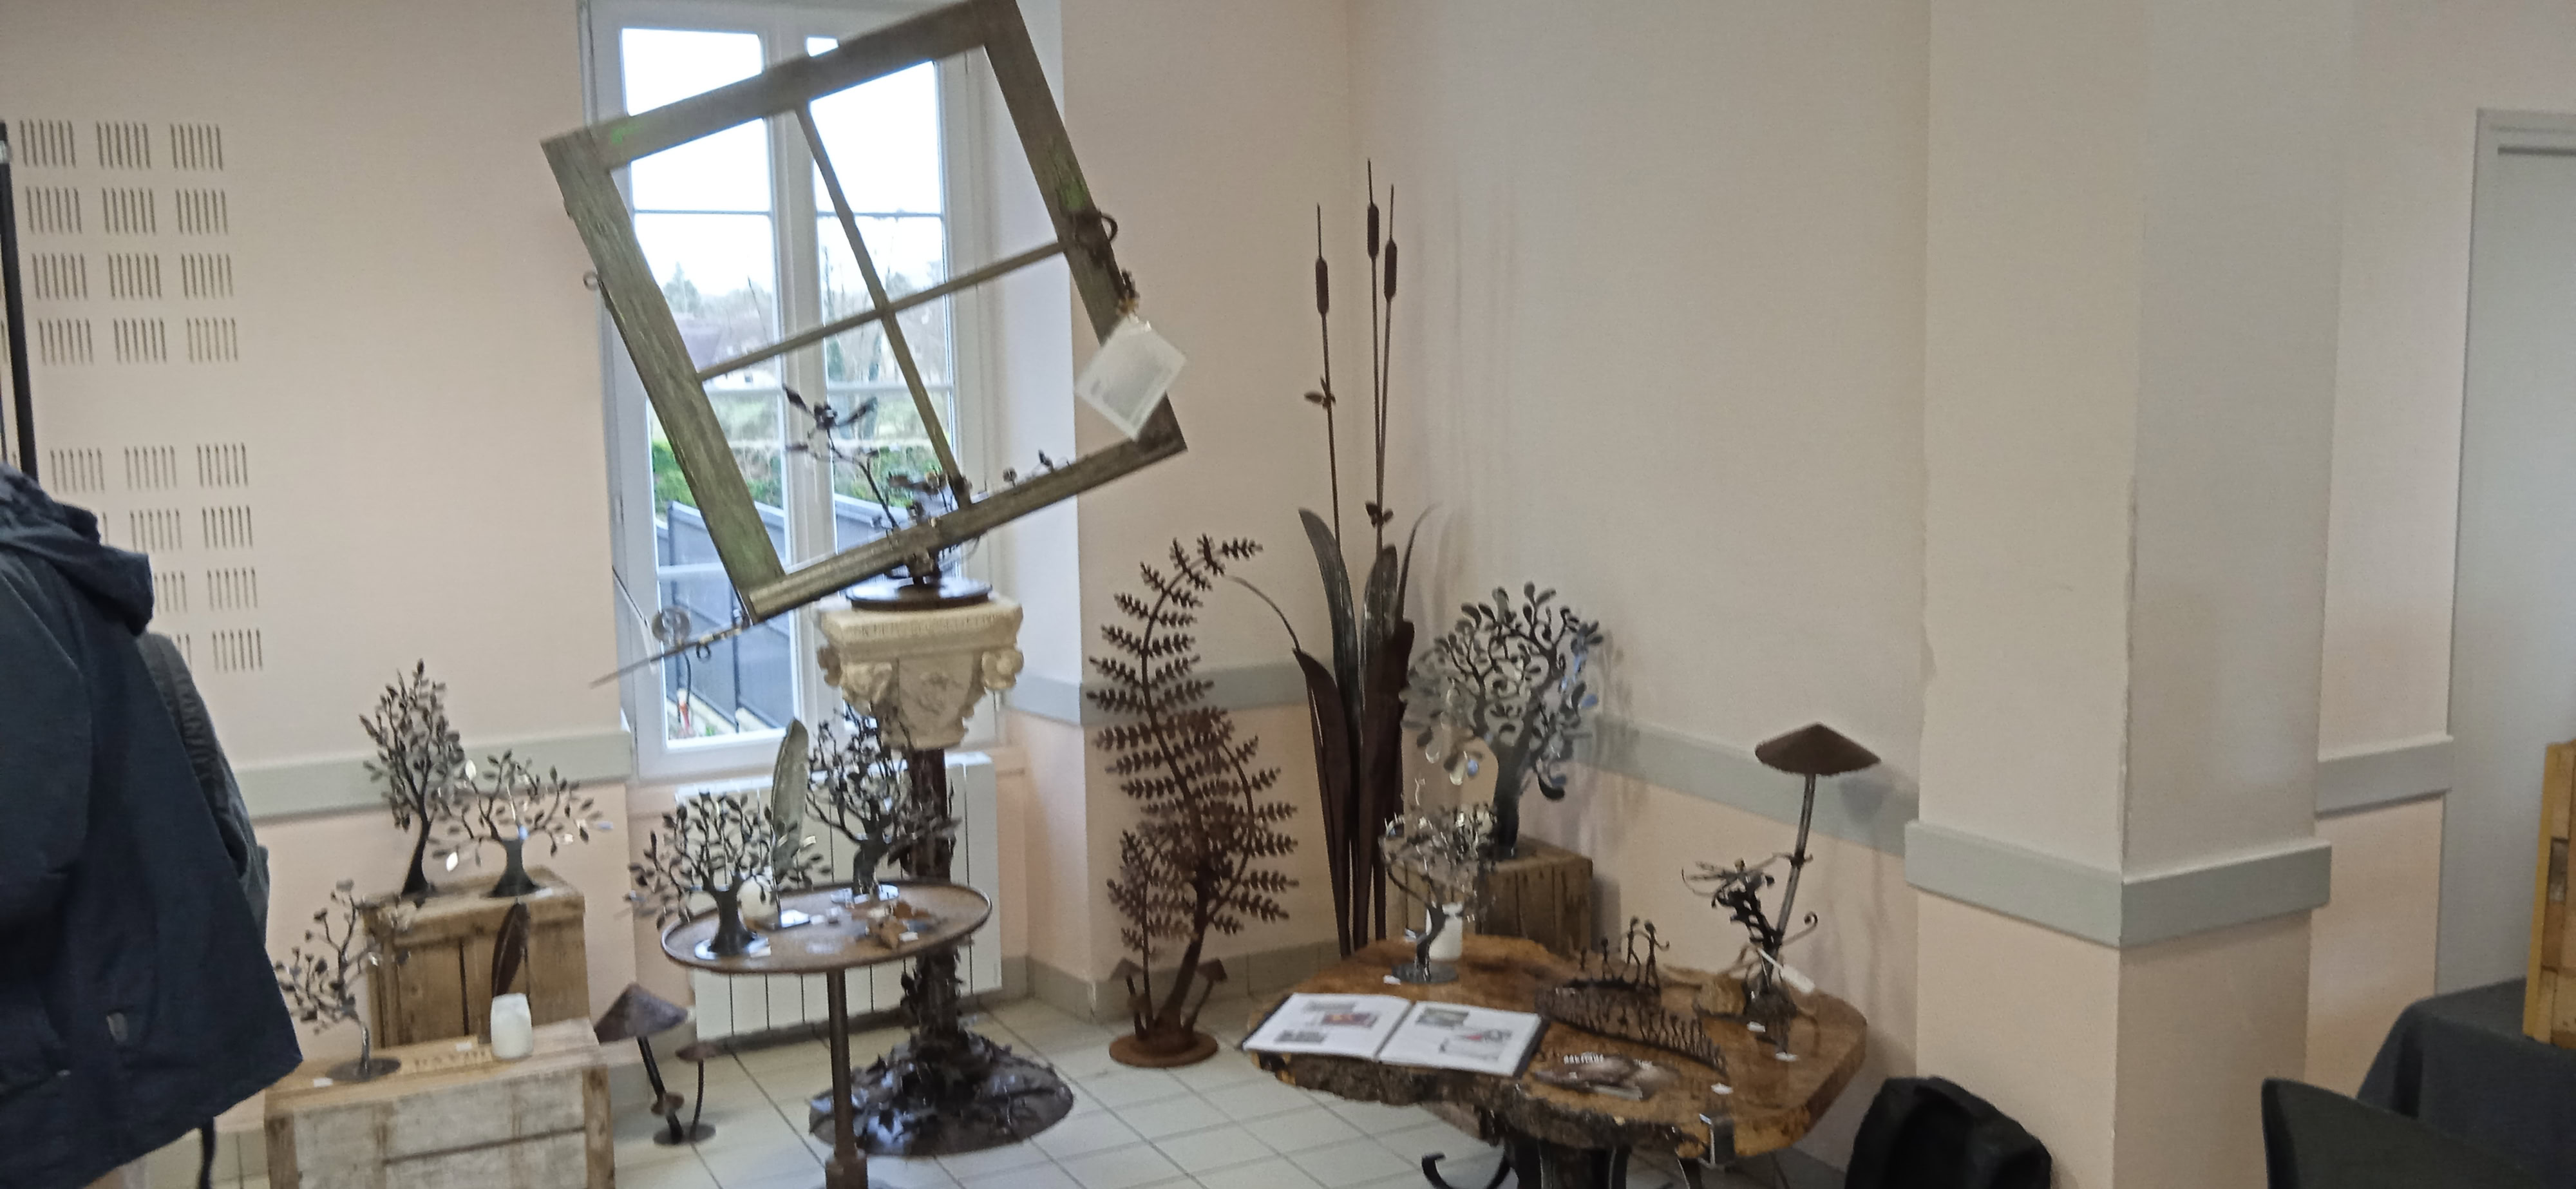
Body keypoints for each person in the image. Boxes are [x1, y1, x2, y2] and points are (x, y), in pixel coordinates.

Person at [0, 464, 298, 1188]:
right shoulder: (49, 574)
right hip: (92, 1040)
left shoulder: (14, 592)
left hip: (58, 1058)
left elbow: (20, 853)